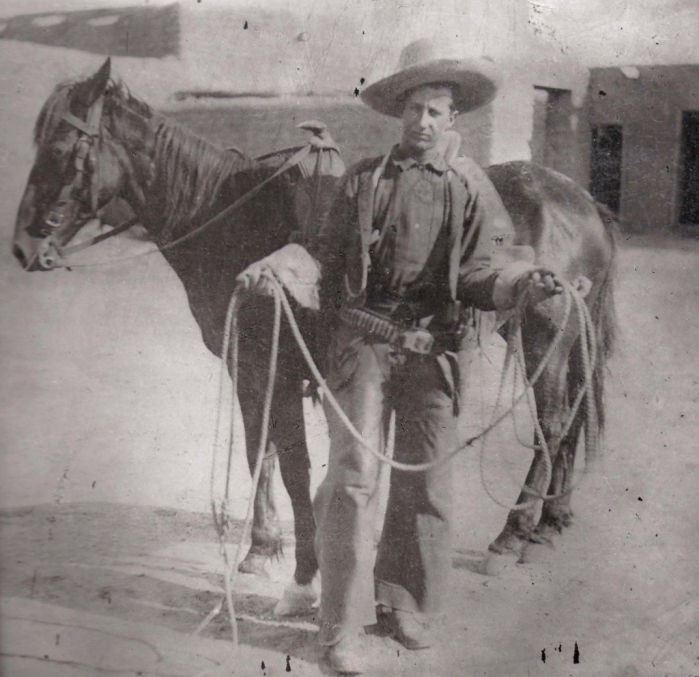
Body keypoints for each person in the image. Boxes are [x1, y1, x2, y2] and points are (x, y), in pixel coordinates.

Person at [238, 38, 562, 675]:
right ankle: (336, 627)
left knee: (427, 483)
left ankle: (404, 607)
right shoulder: (362, 180)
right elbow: (321, 255)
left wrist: (520, 284)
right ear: (400, 113)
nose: (423, 122)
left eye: (436, 111)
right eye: (414, 109)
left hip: (434, 355)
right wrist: (276, 266)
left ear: (453, 119)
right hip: (363, 346)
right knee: (353, 481)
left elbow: (485, 271)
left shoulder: (470, 188)